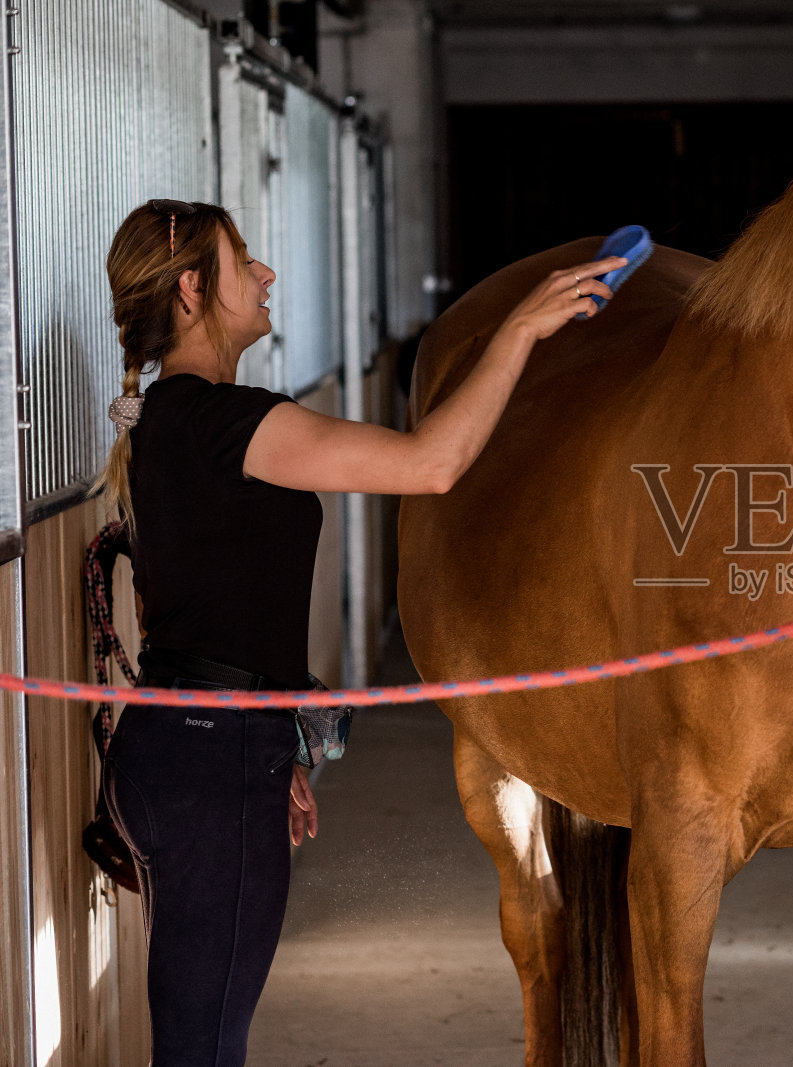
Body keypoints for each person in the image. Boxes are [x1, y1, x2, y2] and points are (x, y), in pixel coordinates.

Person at [95, 198, 623, 1067]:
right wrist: (521, 329)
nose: (265, 275)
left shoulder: (178, 423)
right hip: (209, 763)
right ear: (192, 291)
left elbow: (213, 602)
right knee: (202, 1051)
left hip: (197, 749)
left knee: (200, 1039)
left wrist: (278, 742)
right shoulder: (226, 424)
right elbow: (433, 463)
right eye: (243, 263)